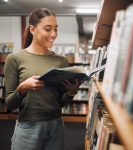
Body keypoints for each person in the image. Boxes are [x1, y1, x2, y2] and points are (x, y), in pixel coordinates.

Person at [4, 8, 81, 150]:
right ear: (32, 29)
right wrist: (22, 89)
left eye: (56, 29)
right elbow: (10, 104)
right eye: (48, 29)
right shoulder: (14, 59)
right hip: (28, 128)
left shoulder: (61, 61)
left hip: (56, 126)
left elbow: (60, 103)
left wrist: (70, 93)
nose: (53, 34)